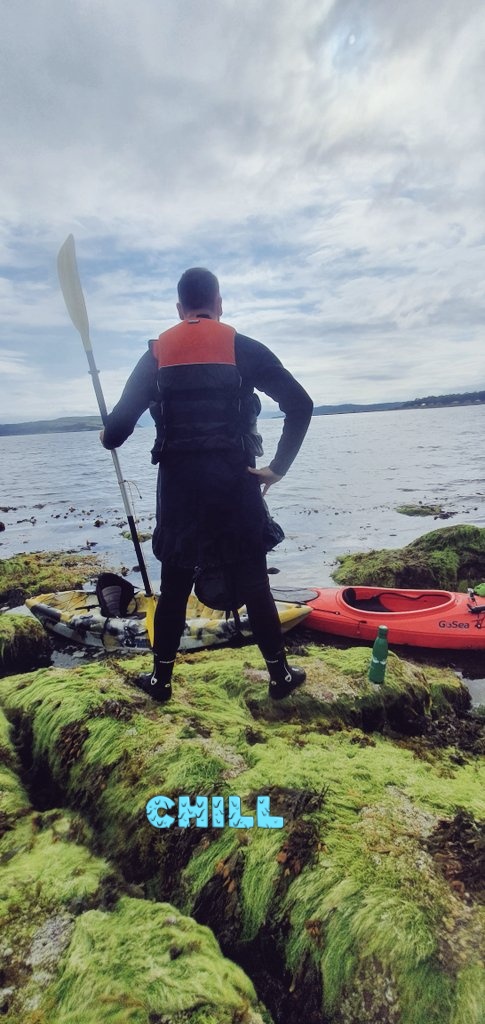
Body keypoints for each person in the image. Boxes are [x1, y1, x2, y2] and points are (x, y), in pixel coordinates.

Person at [100, 268, 313, 701]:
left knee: (175, 584)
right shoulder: (241, 346)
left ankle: (161, 681)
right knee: (255, 581)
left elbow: (118, 429)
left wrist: (106, 435)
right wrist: (278, 467)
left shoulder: (156, 355)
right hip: (235, 482)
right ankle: (279, 676)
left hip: (179, 489)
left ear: (180, 310)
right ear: (219, 304)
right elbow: (300, 404)